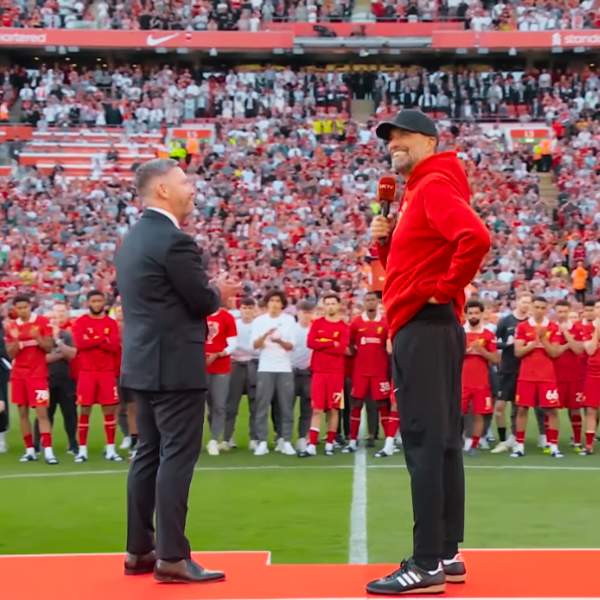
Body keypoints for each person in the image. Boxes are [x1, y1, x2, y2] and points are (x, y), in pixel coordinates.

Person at [367, 110, 490, 594]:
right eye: (388, 138)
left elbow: (475, 239)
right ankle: (447, 553)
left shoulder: (433, 185)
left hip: (425, 324)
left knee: (421, 440)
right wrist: (384, 247)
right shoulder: (424, 189)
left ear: (426, 140)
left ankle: (425, 564)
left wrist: (442, 290)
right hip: (430, 324)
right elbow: (413, 262)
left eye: (400, 135)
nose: (392, 142)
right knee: (440, 442)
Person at [115, 158, 238, 583]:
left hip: (142, 364)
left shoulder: (131, 239)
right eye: (184, 182)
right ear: (163, 190)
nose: (192, 189)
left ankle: (140, 551)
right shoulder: (174, 241)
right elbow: (200, 302)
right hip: (176, 366)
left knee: (147, 453)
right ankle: (172, 556)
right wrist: (218, 292)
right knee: (176, 457)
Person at [5, 295, 57, 464]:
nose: (22, 310)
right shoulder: (12, 327)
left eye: (25, 307)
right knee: (22, 413)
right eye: (19, 308)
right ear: (15, 309)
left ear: (30, 306)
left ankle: (48, 450)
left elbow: (49, 348)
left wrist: (37, 337)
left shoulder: (43, 322)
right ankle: (29, 450)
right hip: (19, 375)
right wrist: (15, 340)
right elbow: (10, 354)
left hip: (38, 375)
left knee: (42, 412)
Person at [342, 292, 395, 457]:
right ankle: (352, 441)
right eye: (367, 300)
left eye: (373, 300)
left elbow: (390, 348)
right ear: (364, 303)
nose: (370, 303)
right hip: (361, 372)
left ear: (377, 302)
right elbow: (350, 346)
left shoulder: (386, 323)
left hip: (379, 372)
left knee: (382, 405)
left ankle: (388, 443)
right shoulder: (356, 323)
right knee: (356, 404)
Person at [72, 290, 122, 463]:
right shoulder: (80, 322)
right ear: (88, 303)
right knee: (84, 410)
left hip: (107, 372)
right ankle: (82, 450)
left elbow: (114, 346)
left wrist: (92, 338)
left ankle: (110, 449)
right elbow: (80, 343)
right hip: (86, 372)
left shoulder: (111, 323)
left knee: (109, 410)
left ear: (104, 303)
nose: (96, 304)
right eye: (93, 301)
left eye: (99, 301)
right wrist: (103, 339)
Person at [512, 296, 563, 459]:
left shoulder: (553, 327)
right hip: (526, 375)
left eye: (542, 307)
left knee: (552, 410)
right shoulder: (522, 326)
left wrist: (543, 339)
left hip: (547, 375)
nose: (539, 310)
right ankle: (519, 445)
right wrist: (533, 342)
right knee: (521, 409)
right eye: (537, 307)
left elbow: (555, 353)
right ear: (531, 308)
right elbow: (518, 352)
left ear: (547, 309)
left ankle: (553, 445)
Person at [251, 289, 297, 457]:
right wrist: (265, 336)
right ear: (267, 303)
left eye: (278, 301)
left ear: (282, 304)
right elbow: (255, 345)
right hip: (265, 367)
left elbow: (292, 346)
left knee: (286, 407)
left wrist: (279, 340)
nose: (275, 304)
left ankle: (285, 440)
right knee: (262, 405)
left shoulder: (289, 320)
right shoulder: (259, 321)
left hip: (284, 367)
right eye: (272, 301)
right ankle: (262, 441)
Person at [302, 294, 349, 457]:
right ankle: (312, 445)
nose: (330, 307)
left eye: (332, 304)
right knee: (317, 409)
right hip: (319, 372)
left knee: (333, 409)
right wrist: (331, 342)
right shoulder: (318, 324)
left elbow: (341, 348)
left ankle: (330, 443)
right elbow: (310, 343)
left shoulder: (344, 327)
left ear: (338, 306)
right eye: (327, 304)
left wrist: (322, 343)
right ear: (324, 306)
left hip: (336, 373)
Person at [34, 305, 78, 455]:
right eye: (50, 318)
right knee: (44, 412)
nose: (52, 321)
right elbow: (40, 359)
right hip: (44, 379)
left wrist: (58, 343)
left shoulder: (66, 335)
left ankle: (73, 444)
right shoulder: (40, 337)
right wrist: (60, 354)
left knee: (70, 413)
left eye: (55, 318)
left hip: (66, 379)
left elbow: (72, 354)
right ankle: (37, 444)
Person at [491, 293, 531, 453]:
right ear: (517, 302)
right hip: (506, 369)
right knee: (499, 407)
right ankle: (503, 440)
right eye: (523, 301)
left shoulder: (531, 323)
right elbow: (494, 342)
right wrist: (506, 344)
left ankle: (515, 438)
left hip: (524, 370)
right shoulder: (506, 321)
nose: (526, 304)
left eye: (528, 302)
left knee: (519, 407)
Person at [461, 299, 499, 457]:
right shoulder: (459, 332)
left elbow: (496, 359)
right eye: (470, 313)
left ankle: (474, 444)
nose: (474, 316)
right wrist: (468, 350)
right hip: (461, 381)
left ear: (482, 314)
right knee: (456, 414)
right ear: (466, 314)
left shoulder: (488, 334)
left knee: (479, 414)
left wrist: (481, 351)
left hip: (481, 382)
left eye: (477, 313)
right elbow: (448, 356)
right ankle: (456, 442)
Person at [224, 297, 258, 450]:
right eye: (245, 308)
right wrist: (248, 348)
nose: (248, 311)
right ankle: (227, 437)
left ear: (254, 310)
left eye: (250, 308)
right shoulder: (235, 324)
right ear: (241, 309)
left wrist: (243, 347)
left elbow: (258, 348)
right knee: (231, 404)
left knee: (255, 404)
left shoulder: (259, 325)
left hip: (253, 365)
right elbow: (231, 345)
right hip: (236, 365)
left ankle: (254, 438)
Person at [205, 306, 238, 455]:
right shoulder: (198, 314)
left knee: (219, 405)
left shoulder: (227, 317)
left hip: (221, 368)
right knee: (204, 406)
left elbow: (233, 344)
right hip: (199, 367)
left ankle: (213, 439)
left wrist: (219, 354)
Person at [554, 299, 584, 451]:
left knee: (575, 408)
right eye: (559, 311)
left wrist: (566, 334)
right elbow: (553, 352)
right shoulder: (551, 328)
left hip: (574, 375)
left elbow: (579, 349)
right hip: (556, 375)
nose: (562, 314)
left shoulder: (578, 327)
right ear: (555, 312)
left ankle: (577, 441)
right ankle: (551, 442)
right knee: (552, 409)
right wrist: (568, 345)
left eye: (565, 311)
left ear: (570, 311)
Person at [290, 300, 315, 454]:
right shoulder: (291, 329)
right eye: (303, 312)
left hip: (308, 372)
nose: (306, 315)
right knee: (286, 407)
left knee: (307, 407)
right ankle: (283, 437)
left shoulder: (315, 329)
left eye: (309, 312)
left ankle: (302, 438)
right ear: (297, 313)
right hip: (291, 371)